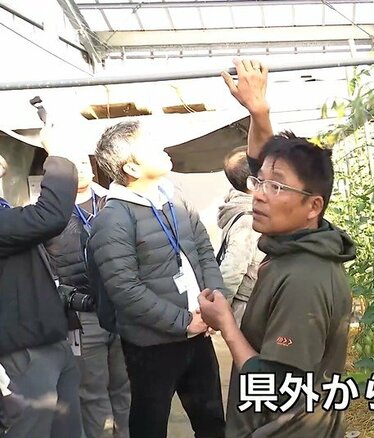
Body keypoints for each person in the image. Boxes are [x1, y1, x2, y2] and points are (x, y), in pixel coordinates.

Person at [198, 59, 357, 437]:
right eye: (259, 183)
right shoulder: (300, 243)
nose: (259, 194)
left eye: (276, 186)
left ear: (313, 206)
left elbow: (277, 388)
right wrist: (258, 111)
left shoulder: (304, 278)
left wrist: (226, 324)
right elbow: (261, 161)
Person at [88, 121, 226, 438]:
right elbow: (125, 289)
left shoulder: (175, 198)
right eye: (149, 143)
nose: (161, 147)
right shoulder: (113, 218)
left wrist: (215, 301)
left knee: (212, 422)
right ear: (132, 167)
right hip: (152, 345)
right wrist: (184, 322)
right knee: (150, 425)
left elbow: (204, 251)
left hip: (198, 332)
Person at [0, 131, 84, 437]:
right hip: (23, 353)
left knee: (68, 430)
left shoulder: (5, 209)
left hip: (50, 341)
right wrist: (58, 155)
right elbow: (50, 215)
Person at [43, 153, 130, 438]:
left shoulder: (114, 204)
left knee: (126, 387)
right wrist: (68, 298)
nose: (79, 169)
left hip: (122, 310)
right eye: (71, 164)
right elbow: (44, 273)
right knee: (91, 393)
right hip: (82, 317)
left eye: (83, 162)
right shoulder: (47, 214)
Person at [216, 146, 265, 324]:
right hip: (247, 307)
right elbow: (232, 269)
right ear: (254, 181)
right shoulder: (248, 220)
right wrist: (221, 312)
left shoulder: (240, 207)